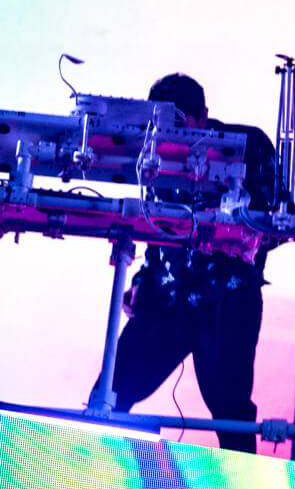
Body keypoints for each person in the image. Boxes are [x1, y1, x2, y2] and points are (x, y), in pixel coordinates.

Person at [94, 74, 281, 454]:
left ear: (203, 116)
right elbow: (156, 228)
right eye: (161, 124)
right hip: (166, 298)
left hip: (226, 298)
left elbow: (277, 224)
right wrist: (143, 279)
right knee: (109, 392)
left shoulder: (249, 144)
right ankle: (94, 474)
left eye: (178, 123)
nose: (169, 134)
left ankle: (239, 488)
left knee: (230, 412)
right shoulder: (154, 150)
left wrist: (232, 222)